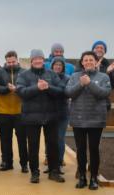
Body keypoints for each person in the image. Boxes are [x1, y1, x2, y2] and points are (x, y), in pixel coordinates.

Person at [17, 49, 65, 184]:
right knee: (33, 146)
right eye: (35, 59)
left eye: (40, 58)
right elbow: (21, 92)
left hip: (51, 116)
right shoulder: (24, 75)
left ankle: (53, 172)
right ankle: (35, 173)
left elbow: (61, 91)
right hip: (31, 117)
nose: (38, 61)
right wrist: (37, 88)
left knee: (53, 145)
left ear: (44, 60)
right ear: (31, 60)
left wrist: (48, 87)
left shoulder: (52, 74)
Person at [65, 51, 111, 190]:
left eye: (91, 60)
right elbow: (68, 92)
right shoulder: (74, 76)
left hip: (96, 119)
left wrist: (90, 83)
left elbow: (104, 93)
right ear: (82, 62)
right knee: (81, 150)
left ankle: (94, 178)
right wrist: (81, 84)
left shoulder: (103, 77)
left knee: (94, 149)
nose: (88, 62)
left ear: (96, 62)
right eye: (86, 60)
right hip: (78, 119)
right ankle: (82, 177)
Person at [0, 51, 28, 173]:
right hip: (3, 110)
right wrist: (7, 89)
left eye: (13, 61)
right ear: (5, 61)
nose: (11, 64)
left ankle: (24, 164)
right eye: (9, 62)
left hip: (20, 111)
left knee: (22, 139)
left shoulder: (24, 72)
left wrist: (17, 89)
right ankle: (7, 162)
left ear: (17, 60)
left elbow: (27, 88)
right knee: (5, 138)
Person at [43, 57, 69, 174]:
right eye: (56, 65)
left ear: (63, 67)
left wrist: (49, 88)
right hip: (49, 112)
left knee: (60, 139)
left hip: (62, 113)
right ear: (52, 66)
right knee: (50, 140)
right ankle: (50, 163)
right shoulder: (47, 77)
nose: (58, 66)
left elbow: (63, 92)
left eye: (60, 65)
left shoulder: (67, 78)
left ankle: (58, 163)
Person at [91, 40, 114, 111]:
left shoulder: (108, 64)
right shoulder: (86, 62)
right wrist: (94, 69)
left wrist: (110, 72)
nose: (99, 49)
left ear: (104, 51)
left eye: (102, 48)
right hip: (89, 102)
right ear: (93, 50)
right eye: (97, 47)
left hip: (104, 102)